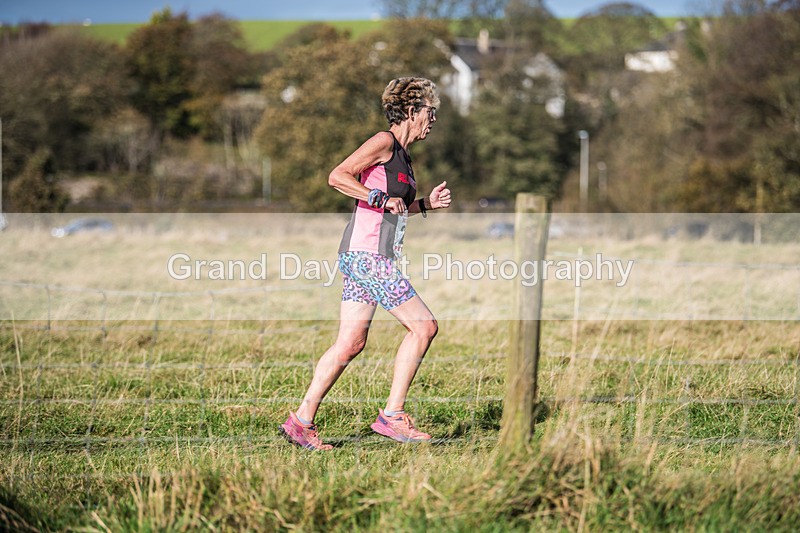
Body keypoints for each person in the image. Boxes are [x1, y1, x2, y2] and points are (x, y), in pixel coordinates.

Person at [280, 77, 452, 450]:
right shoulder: (384, 142)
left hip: (368, 256)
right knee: (424, 327)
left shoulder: (404, 157)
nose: (433, 119)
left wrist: (426, 205)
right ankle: (392, 416)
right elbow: (337, 176)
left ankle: (300, 421)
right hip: (366, 257)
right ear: (411, 112)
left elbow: (396, 206)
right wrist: (376, 196)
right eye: (430, 112)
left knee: (350, 343)